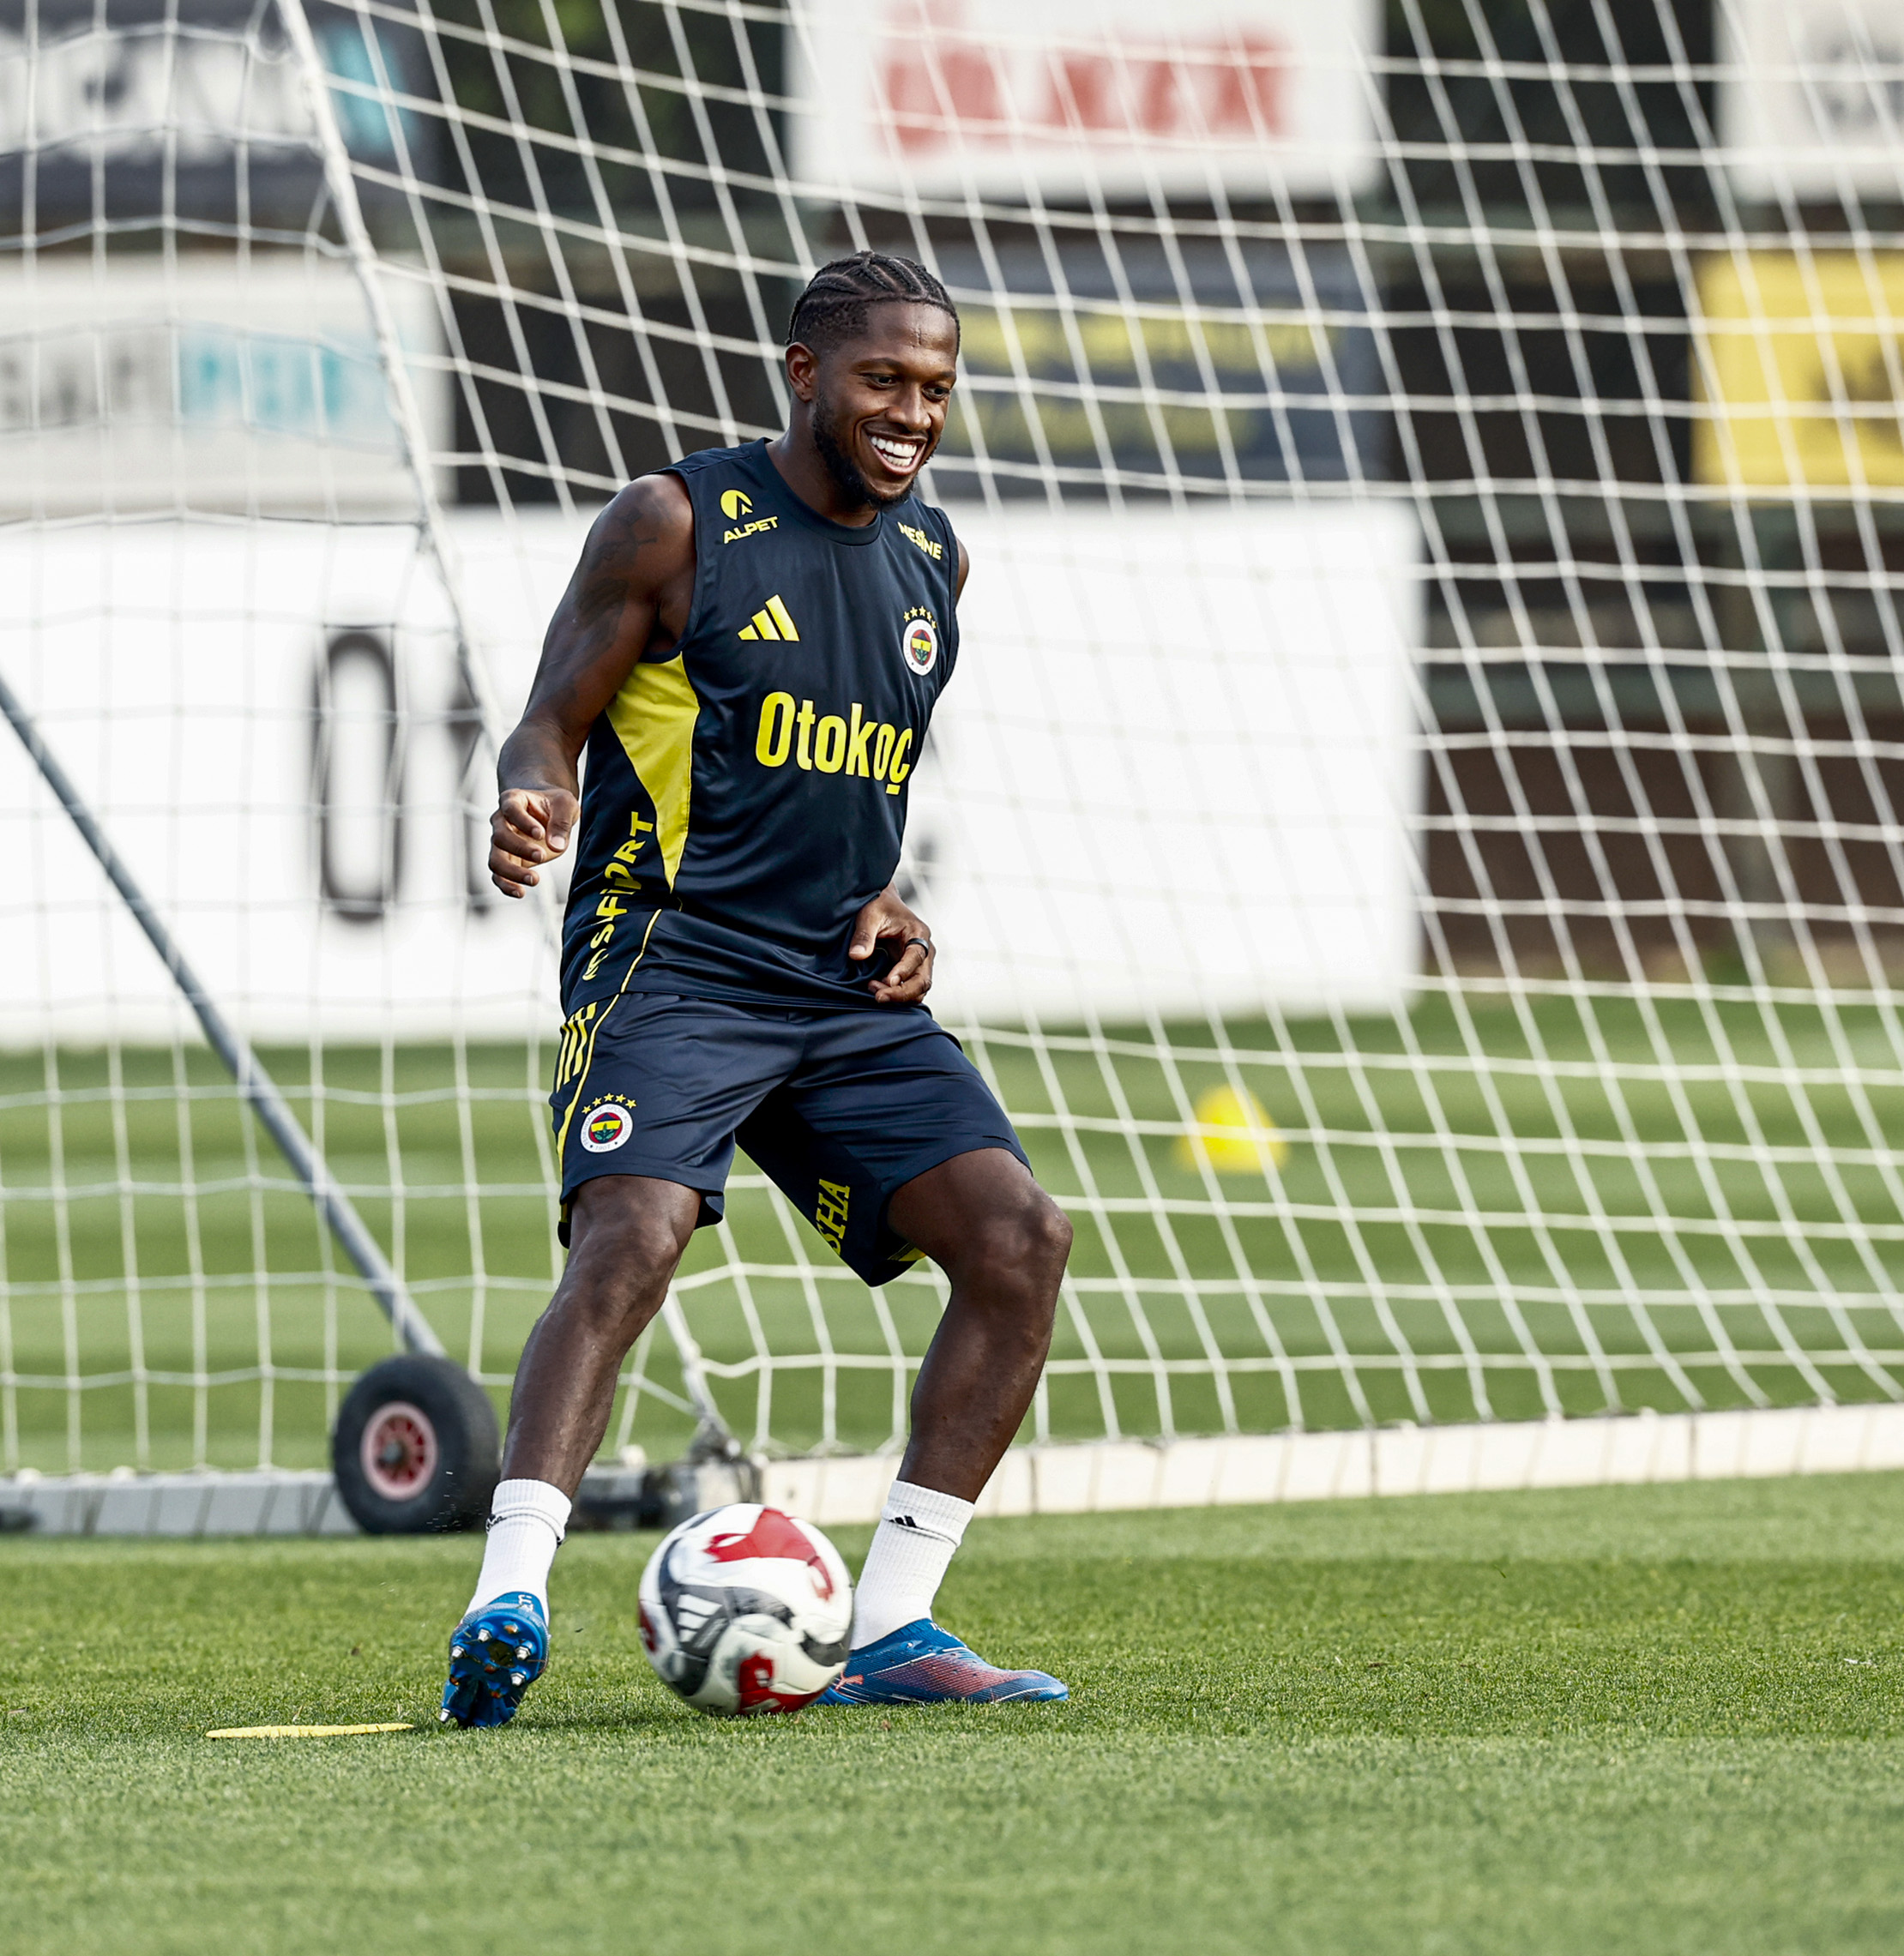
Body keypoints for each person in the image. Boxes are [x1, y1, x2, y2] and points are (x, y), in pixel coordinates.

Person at [440, 251, 1074, 1729]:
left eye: (936, 387)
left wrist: (890, 899)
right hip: (674, 961)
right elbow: (547, 724)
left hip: (839, 985)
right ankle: (508, 1593)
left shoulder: (936, 562)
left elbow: (851, 781)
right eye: (882, 379)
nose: (912, 413)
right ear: (803, 374)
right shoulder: (673, 523)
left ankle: (896, 1624)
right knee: (635, 1233)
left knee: (1019, 1239)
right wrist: (532, 798)